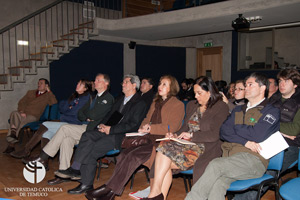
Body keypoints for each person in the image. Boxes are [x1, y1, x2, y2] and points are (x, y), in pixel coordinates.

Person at [85, 75, 185, 200]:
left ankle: (108, 189)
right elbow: (146, 119)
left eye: (164, 84)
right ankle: (110, 193)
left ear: (172, 87)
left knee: (133, 156)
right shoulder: (155, 102)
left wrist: (151, 128)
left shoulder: (178, 104)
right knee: (124, 154)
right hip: (147, 138)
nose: (160, 86)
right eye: (160, 84)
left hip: (161, 142)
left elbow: (173, 127)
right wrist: (143, 127)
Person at [185, 72, 280, 200]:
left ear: (263, 88)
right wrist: (245, 141)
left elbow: (257, 134)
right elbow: (223, 132)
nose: (246, 88)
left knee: (215, 165)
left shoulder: (271, 111)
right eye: (245, 85)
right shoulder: (238, 110)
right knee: (217, 184)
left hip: (253, 161)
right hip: (230, 159)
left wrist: (235, 128)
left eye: (250, 85)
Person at [56, 74, 148, 194]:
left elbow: (133, 125)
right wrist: (102, 125)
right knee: (87, 134)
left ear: (134, 85)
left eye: (125, 82)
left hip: (120, 136)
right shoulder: (120, 99)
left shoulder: (139, 103)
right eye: (123, 82)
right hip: (108, 130)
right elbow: (109, 116)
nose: (122, 85)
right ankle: (76, 169)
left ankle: (85, 183)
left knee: (91, 150)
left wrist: (111, 130)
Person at [142, 77, 229, 200]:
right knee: (164, 148)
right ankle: (156, 194)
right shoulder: (192, 106)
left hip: (205, 147)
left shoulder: (220, 107)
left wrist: (192, 136)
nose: (196, 97)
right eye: (195, 93)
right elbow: (184, 128)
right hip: (186, 144)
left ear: (209, 92)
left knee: (164, 156)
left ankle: (155, 195)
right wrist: (174, 135)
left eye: (199, 93)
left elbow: (215, 134)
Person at [23, 74, 114, 184]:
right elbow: (80, 114)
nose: (95, 82)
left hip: (93, 131)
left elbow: (94, 115)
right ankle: (63, 174)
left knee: (64, 128)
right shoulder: (95, 97)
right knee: (66, 140)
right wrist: (87, 116)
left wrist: (88, 116)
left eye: (98, 80)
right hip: (85, 128)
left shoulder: (107, 98)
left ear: (106, 83)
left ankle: (43, 157)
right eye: (95, 80)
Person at [234, 69, 300, 200]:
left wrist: (270, 126)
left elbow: (294, 130)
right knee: (244, 160)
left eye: (286, 81)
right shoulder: (272, 99)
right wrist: (275, 128)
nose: (282, 84)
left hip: (290, 145)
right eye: (280, 80)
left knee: (266, 169)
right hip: (267, 140)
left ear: (295, 84)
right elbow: (256, 120)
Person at [10, 79, 93, 159]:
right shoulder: (75, 97)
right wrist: (69, 108)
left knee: (44, 125)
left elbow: (74, 113)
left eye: (80, 84)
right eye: (78, 83)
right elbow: (61, 107)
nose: (77, 85)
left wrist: (68, 110)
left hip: (73, 124)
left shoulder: (85, 98)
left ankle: (26, 150)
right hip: (66, 120)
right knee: (46, 133)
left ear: (85, 88)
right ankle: (43, 159)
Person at [3, 78, 57, 154]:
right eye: (38, 83)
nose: (39, 84)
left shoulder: (48, 96)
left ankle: (12, 141)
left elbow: (54, 102)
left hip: (33, 116)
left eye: (41, 83)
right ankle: (13, 134)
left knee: (16, 122)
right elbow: (21, 102)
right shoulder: (30, 92)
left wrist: (49, 91)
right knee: (14, 113)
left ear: (46, 86)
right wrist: (21, 111)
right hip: (22, 114)